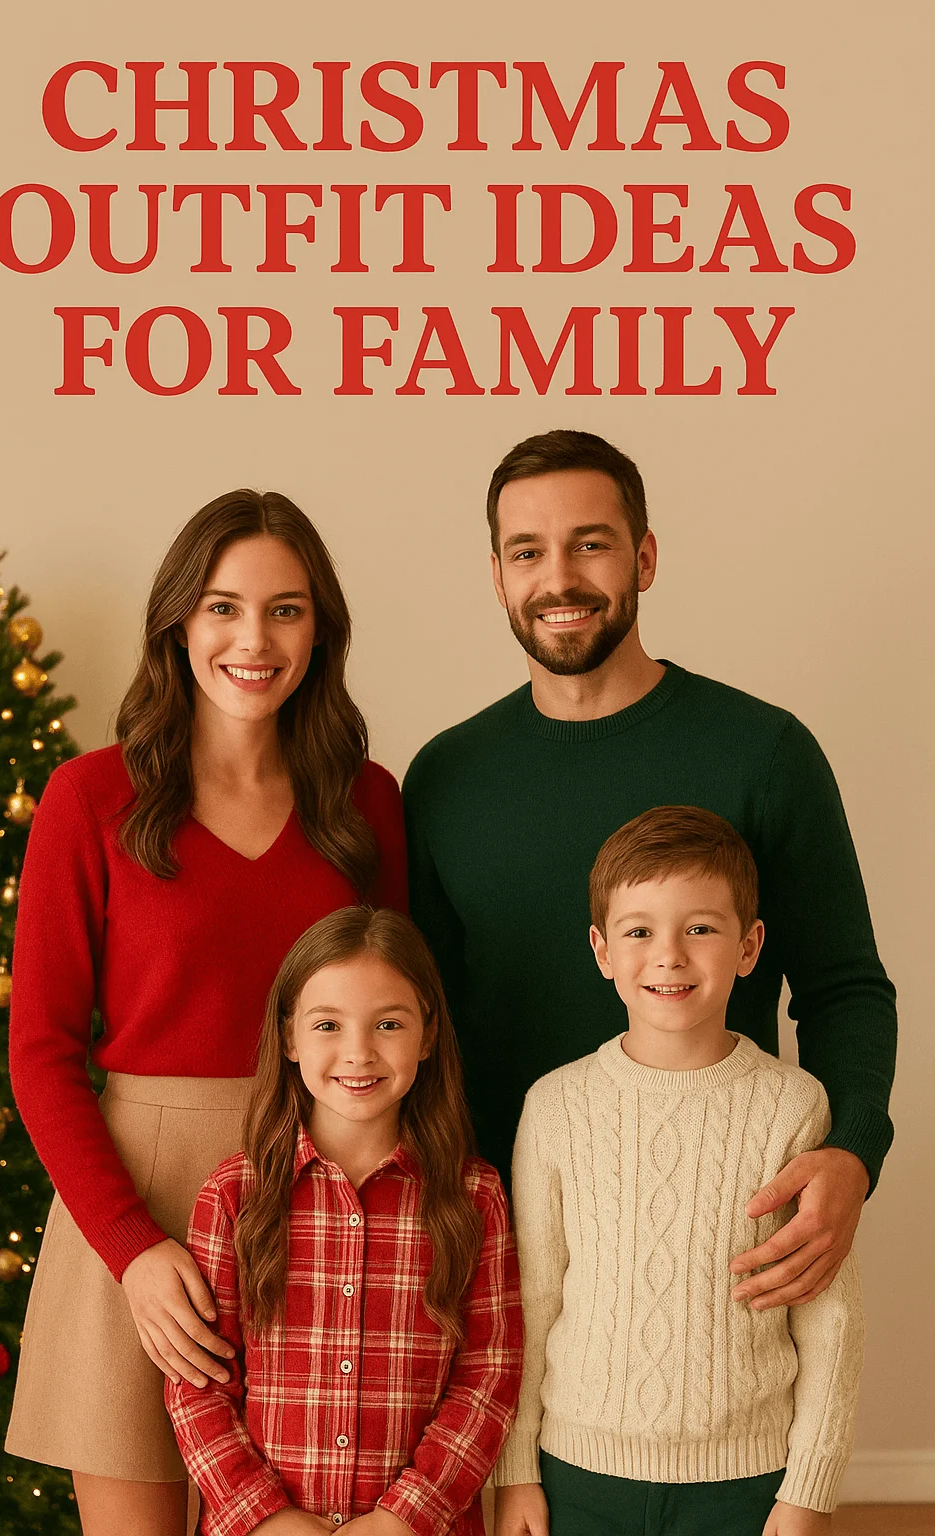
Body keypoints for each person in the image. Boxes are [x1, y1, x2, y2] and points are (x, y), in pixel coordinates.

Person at [403, 428, 895, 1311]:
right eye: (529, 552)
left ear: (645, 557)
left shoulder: (763, 753)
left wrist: (852, 1151)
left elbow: (844, 986)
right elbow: (424, 1023)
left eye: (590, 543)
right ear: (498, 575)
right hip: (500, 1247)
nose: (559, 579)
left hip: (721, 1238)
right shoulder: (445, 779)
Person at [5, 490, 409, 1536]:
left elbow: (403, 1022)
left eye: (286, 609)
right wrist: (131, 1249)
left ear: (320, 631)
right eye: (223, 607)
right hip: (134, 1206)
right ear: (178, 623)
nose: (253, 638)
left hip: (320, 1207)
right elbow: (41, 1053)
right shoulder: (89, 800)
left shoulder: (365, 804)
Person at [494, 806, 864, 1536]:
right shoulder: (556, 1105)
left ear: (749, 945)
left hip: (747, 1483)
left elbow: (831, 1319)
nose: (669, 955)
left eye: (700, 928)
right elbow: (529, 1302)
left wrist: (808, 1492)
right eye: (639, 931)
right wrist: (516, 1474)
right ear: (601, 949)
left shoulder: (794, 1105)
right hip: (578, 1475)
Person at [165, 905, 523, 1536]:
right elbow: (198, 1386)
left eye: (388, 1023)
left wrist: (400, 1520)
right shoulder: (233, 1196)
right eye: (328, 1024)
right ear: (288, 1038)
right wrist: (269, 1519)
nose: (358, 1052)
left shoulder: (474, 1197)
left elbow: (488, 1378)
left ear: (429, 1034)